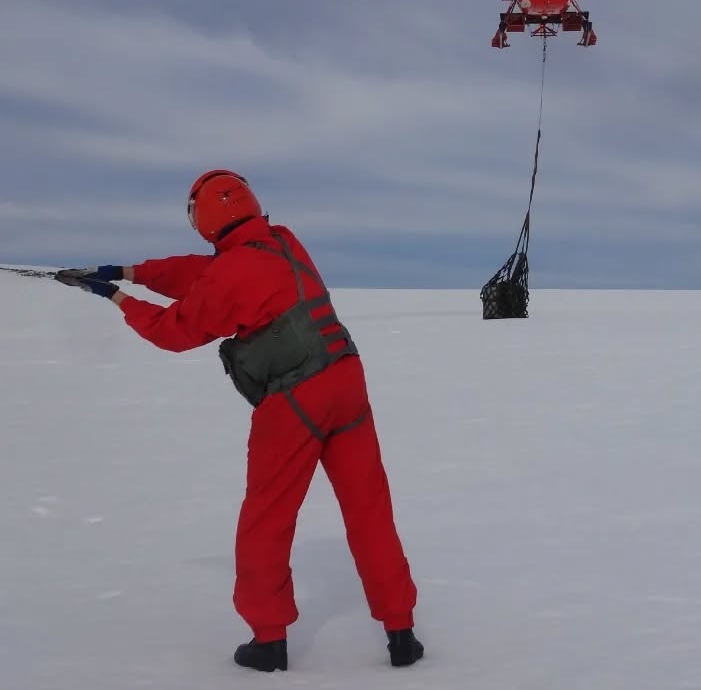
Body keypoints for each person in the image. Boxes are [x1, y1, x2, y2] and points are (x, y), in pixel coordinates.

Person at [52, 169, 423, 673]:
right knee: (369, 509)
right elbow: (201, 275)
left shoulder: (231, 273)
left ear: (204, 216)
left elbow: (175, 330)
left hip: (295, 401)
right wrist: (127, 271)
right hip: (347, 382)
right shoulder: (284, 242)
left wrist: (113, 297)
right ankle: (401, 633)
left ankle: (268, 640)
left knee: (266, 519)